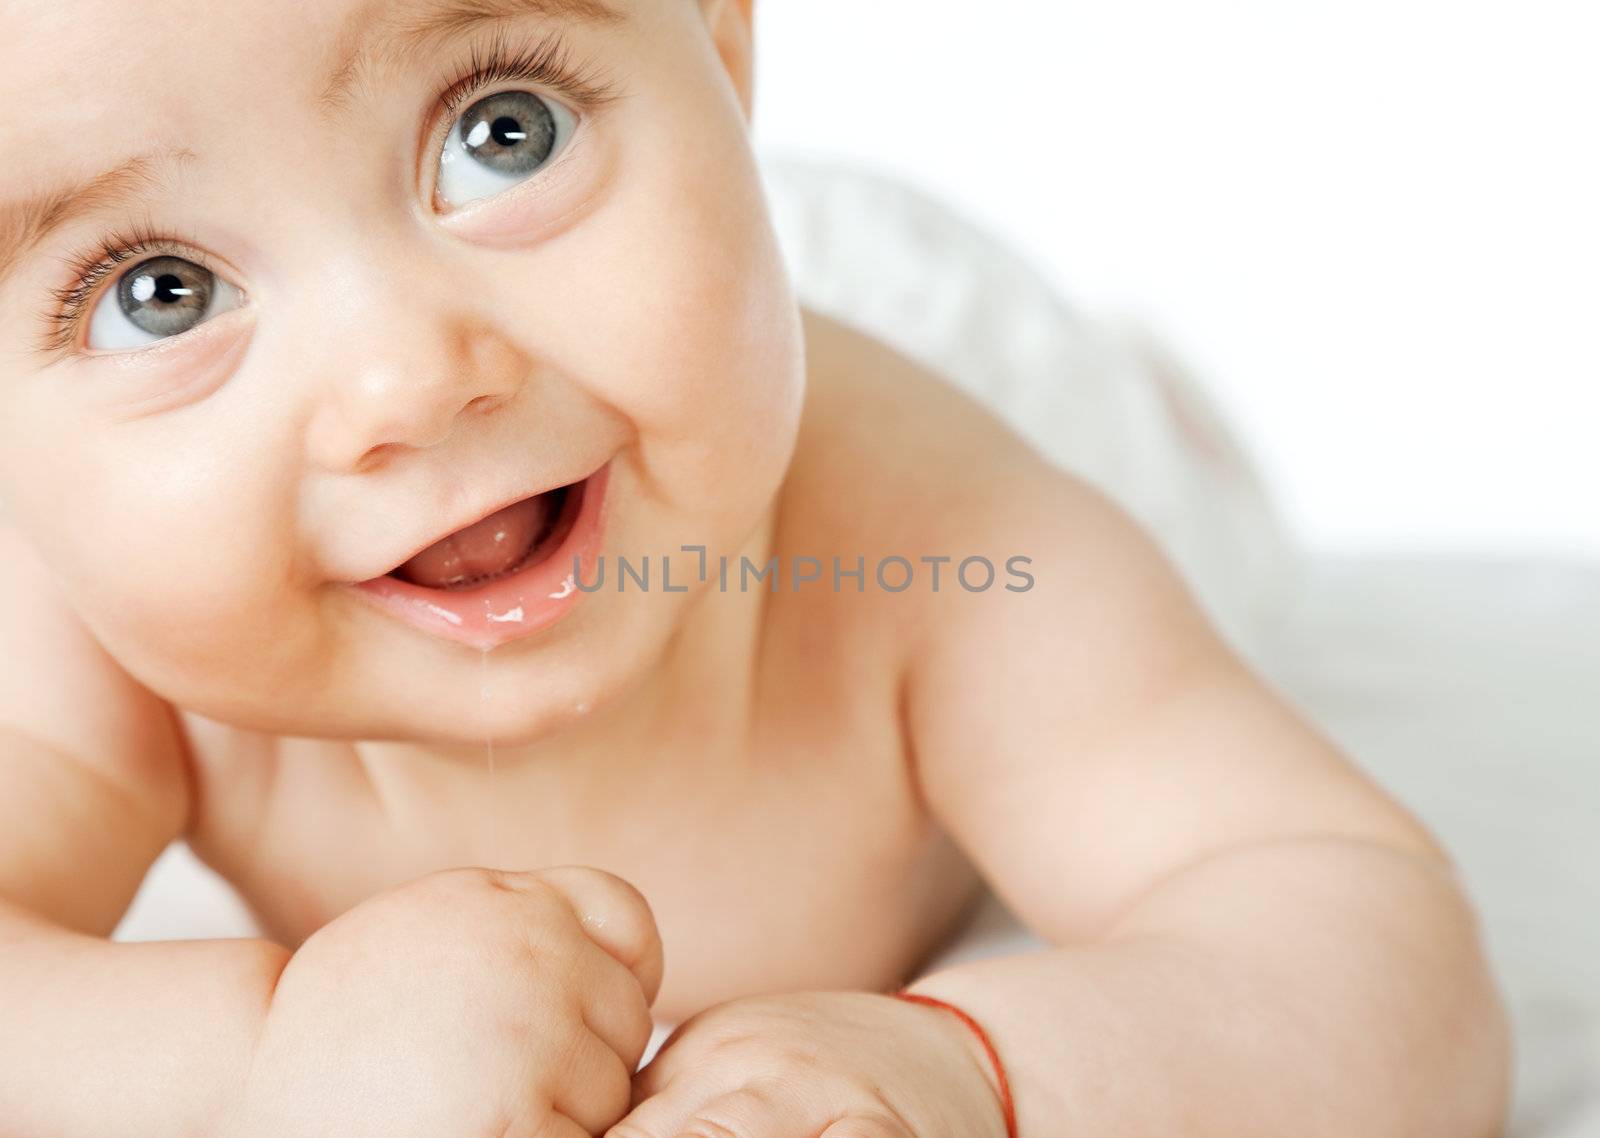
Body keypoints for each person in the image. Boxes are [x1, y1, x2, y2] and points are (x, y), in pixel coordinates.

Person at [0, 1, 1509, 1134]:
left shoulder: (945, 547)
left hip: (944, 353)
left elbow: (1376, 950)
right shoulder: (90, 619)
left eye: (500, 129)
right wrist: (267, 1061)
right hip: (665, 368)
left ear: (723, 48)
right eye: (158, 293)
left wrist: (969, 1074)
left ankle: (1163, 402)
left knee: (1183, 521)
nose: (404, 380)